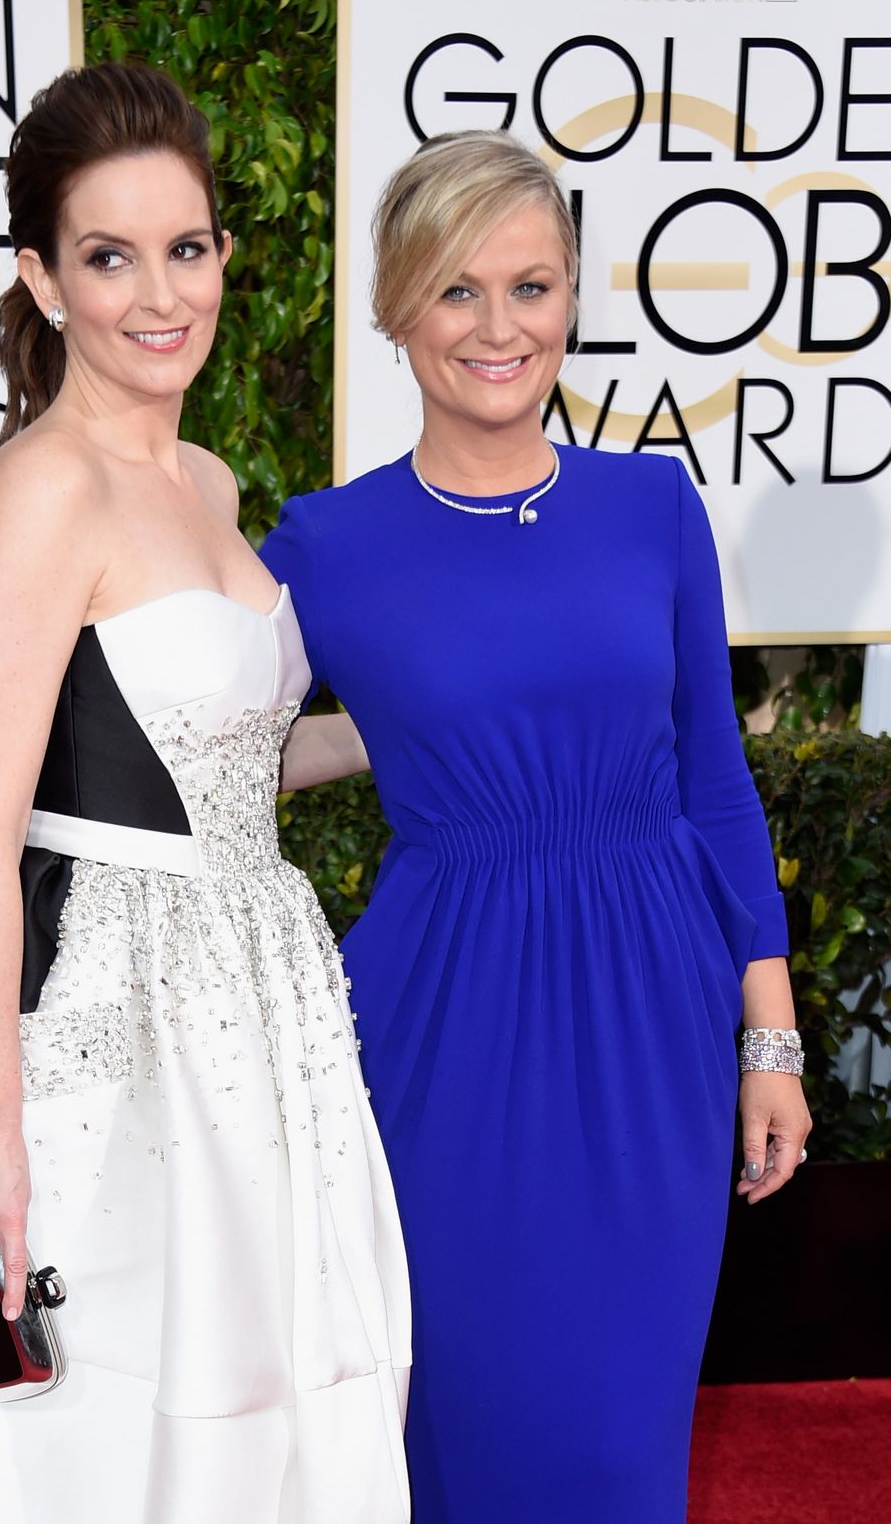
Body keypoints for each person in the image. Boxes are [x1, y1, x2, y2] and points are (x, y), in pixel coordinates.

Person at [0, 62, 410, 1524]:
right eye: (109, 255)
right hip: (105, 1010)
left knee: (257, 1394)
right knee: (100, 1416)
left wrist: (423, 737)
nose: (163, 294)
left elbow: (223, 769)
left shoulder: (204, 478)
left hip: (251, 998)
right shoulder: (40, 490)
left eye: (188, 247)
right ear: (43, 274)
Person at [257, 131, 813, 1523]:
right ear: (394, 310)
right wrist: (13, 798)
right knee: (453, 1421)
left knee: (619, 1445)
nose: (498, 328)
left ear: (571, 297)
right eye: (456, 290)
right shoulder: (327, 545)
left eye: (531, 285)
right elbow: (199, 725)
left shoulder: (650, 507)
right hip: (445, 1023)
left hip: (652, 1012)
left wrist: (771, 1036)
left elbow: (711, 778)